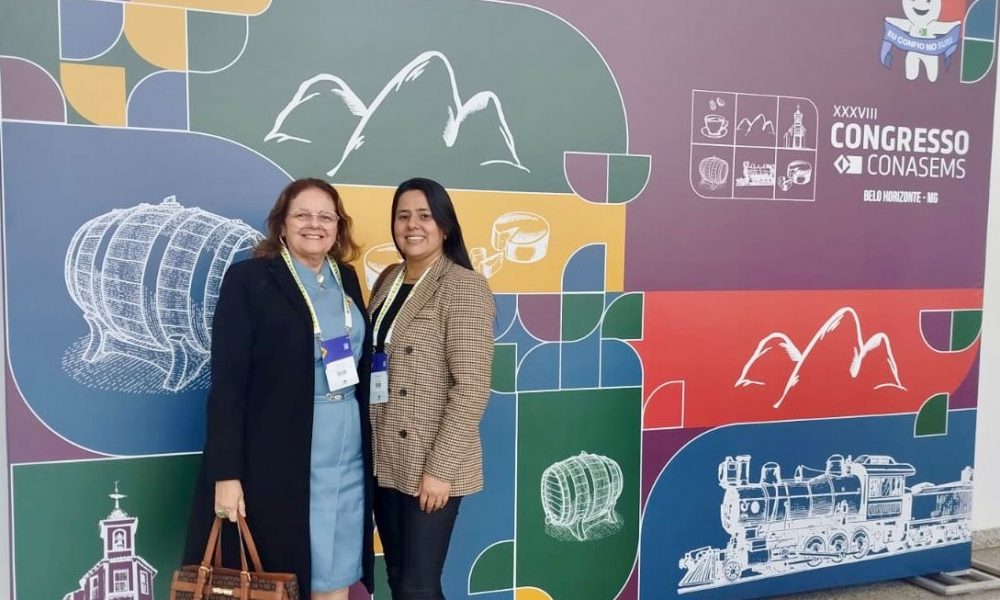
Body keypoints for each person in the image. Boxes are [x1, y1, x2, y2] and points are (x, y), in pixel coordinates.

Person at [183, 178, 375, 600]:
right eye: (302, 215)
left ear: (338, 227)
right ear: (282, 224)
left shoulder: (345, 277)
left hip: (347, 449)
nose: (315, 224)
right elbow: (228, 385)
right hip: (279, 453)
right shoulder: (249, 279)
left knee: (339, 568)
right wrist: (226, 474)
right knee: (283, 574)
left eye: (326, 217)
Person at [367, 177, 495, 600]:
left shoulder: (463, 286)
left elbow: (471, 387)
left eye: (425, 215)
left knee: (418, 586)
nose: (412, 225)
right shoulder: (388, 279)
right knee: (397, 576)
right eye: (403, 216)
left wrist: (439, 470)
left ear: (445, 225)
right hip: (385, 455)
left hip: (432, 460)